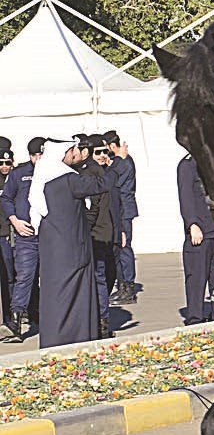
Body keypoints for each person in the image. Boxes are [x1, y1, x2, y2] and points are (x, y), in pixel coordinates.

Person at [30, 138, 110, 346]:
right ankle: (76, 339)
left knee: (55, 297)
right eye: (73, 149)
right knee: (75, 297)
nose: (76, 152)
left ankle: (54, 340)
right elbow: (102, 184)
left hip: (53, 251)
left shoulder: (45, 178)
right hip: (72, 250)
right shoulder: (67, 179)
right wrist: (117, 161)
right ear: (62, 153)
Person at [1, 137, 44, 339]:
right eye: (36, 155)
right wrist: (15, 220)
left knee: (50, 278)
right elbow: (6, 198)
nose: (39, 159)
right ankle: (16, 322)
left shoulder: (54, 172)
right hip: (25, 235)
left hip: (48, 235)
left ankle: (45, 317)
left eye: (42, 154)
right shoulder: (19, 174)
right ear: (30, 155)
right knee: (25, 276)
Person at [177, 153, 214, 325]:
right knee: (196, 278)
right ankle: (195, 318)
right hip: (199, 232)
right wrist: (192, 224)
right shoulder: (187, 165)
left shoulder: (212, 162)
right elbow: (186, 197)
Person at [86, 136, 121, 328]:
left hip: (109, 233)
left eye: (104, 152)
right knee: (100, 276)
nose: (102, 155)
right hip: (96, 234)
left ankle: (102, 316)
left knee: (109, 275)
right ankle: (102, 320)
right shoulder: (91, 173)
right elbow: (92, 209)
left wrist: (121, 230)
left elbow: (117, 204)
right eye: (97, 152)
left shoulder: (104, 171)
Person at [104, 130, 139, 304]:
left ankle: (127, 287)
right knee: (120, 248)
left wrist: (113, 163)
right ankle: (123, 285)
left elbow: (112, 179)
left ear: (112, 146)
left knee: (124, 248)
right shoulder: (122, 161)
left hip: (123, 209)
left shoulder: (122, 162)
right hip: (123, 208)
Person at [0, 138, 13, 332]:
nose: (4, 167)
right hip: (2, 234)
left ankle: (13, 314)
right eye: (1, 163)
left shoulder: (15, 178)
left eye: (7, 163)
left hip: (12, 232)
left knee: (12, 276)